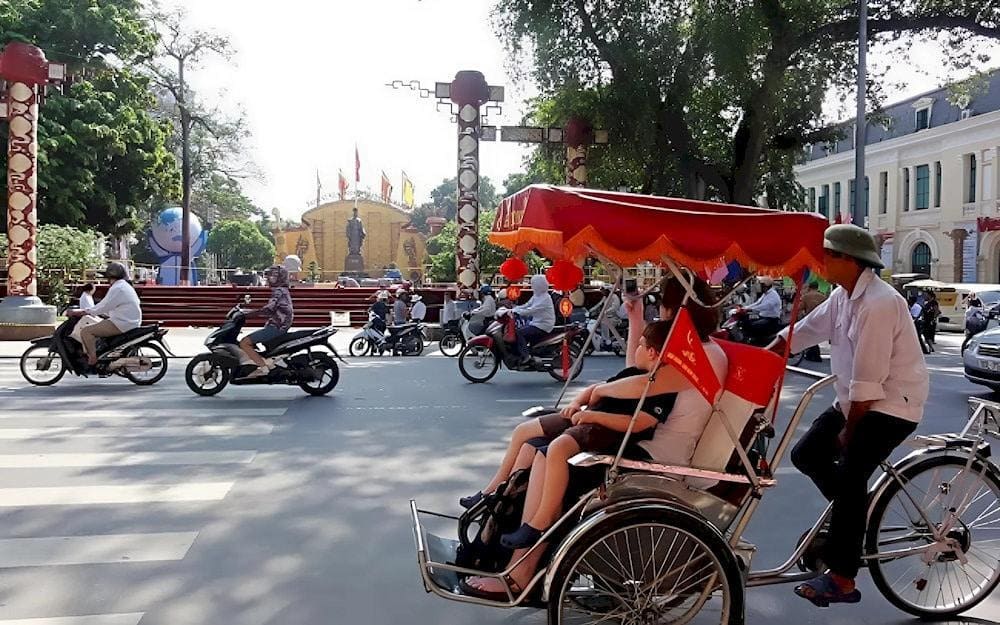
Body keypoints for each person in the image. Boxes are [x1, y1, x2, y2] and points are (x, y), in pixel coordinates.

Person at [463, 275, 727, 600]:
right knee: (533, 449)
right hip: (636, 439)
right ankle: (496, 548)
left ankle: (522, 574)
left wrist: (597, 391)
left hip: (652, 454)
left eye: (664, 305)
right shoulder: (691, 348)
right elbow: (638, 369)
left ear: (679, 309)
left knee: (550, 457)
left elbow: (645, 385)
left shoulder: (705, 356)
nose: (662, 312)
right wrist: (635, 320)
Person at [768, 224, 929, 607]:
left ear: (849, 260)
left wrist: (848, 432)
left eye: (827, 256)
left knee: (851, 473)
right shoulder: (842, 296)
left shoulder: (878, 303)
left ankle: (842, 578)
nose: (821, 263)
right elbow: (806, 330)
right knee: (806, 454)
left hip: (891, 404)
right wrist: (766, 353)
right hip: (857, 400)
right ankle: (855, 515)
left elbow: (868, 382)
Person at [67, 263, 141, 370]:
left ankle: (93, 359)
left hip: (122, 323)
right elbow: (109, 307)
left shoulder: (118, 288)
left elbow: (103, 306)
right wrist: (94, 312)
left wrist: (82, 312)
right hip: (127, 321)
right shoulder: (124, 286)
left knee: (86, 332)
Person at [239, 265, 294, 378]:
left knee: (244, 343)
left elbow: (269, 309)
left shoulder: (279, 291)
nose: (268, 279)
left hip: (277, 328)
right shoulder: (282, 290)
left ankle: (263, 369)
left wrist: (248, 314)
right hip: (279, 326)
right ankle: (263, 363)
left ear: (278, 277)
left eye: (271, 276)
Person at [511, 275, 556, 364]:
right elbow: (527, 305)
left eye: (533, 284)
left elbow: (531, 310)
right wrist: (514, 309)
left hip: (543, 325)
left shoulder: (545, 298)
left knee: (519, 333)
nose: (532, 286)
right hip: (536, 323)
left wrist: (517, 311)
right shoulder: (537, 296)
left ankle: (526, 356)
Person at [743, 276, 782, 341]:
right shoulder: (765, 294)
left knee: (754, 325)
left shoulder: (773, 295)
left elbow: (765, 306)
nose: (758, 286)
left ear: (765, 286)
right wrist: (745, 308)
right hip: (763, 317)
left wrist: (751, 309)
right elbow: (757, 303)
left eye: (760, 284)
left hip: (771, 320)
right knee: (748, 321)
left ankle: (757, 341)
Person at [589, 283, 623, 350]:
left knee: (604, 323)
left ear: (608, 290)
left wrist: (605, 312)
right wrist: (590, 310)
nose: (602, 292)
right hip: (606, 317)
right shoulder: (605, 297)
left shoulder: (614, 297)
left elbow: (615, 307)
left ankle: (607, 341)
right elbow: (599, 304)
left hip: (614, 318)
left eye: (604, 290)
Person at [800, 282, 827, 362]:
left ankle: (815, 355)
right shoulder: (823, 296)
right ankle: (812, 354)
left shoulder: (806, 296)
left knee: (809, 336)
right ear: (817, 287)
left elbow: (800, 307)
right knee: (813, 336)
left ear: (809, 287)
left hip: (809, 318)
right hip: (819, 318)